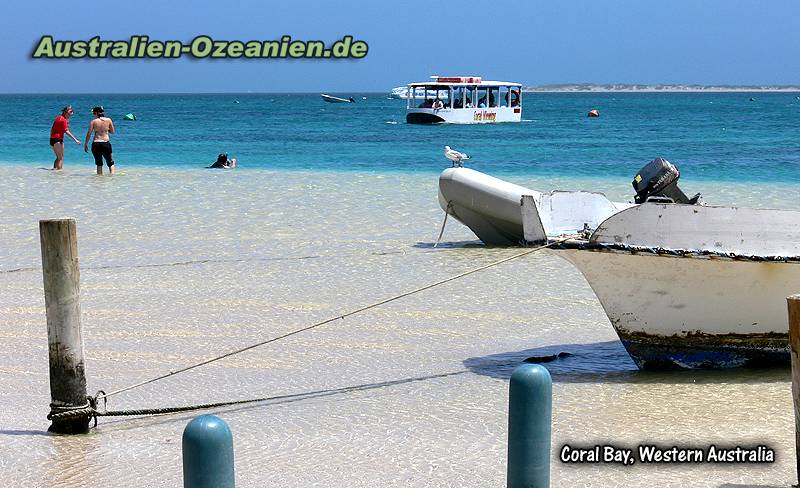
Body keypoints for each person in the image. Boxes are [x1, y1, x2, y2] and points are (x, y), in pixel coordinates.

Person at [84, 106, 116, 175]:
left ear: (96, 113)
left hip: (96, 143)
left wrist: (86, 144)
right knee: (110, 163)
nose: (93, 115)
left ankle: (99, 182)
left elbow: (89, 134)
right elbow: (113, 132)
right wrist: (106, 129)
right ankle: (113, 179)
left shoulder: (93, 121)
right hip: (105, 143)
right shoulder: (109, 120)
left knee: (99, 164)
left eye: (93, 114)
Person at [49, 105, 81, 170]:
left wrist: (52, 137)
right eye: (70, 112)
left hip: (52, 139)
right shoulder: (63, 120)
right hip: (58, 140)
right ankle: (59, 173)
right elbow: (66, 131)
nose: (72, 113)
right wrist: (76, 140)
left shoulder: (58, 118)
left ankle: (54, 171)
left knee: (58, 157)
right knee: (61, 158)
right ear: (65, 112)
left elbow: (52, 129)